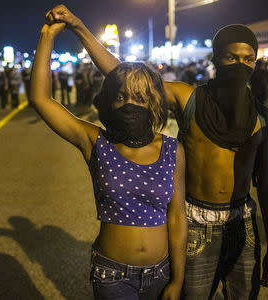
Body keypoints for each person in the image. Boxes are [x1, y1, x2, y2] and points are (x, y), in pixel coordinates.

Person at [47, 5, 268, 299]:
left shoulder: (261, 118)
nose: (239, 65)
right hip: (196, 223)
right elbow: (122, 74)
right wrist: (79, 27)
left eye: (248, 59)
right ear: (216, 59)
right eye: (231, 57)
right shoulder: (189, 98)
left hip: (241, 222)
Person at [30, 19, 187, 300]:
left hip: (161, 274)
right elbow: (41, 100)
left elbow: (176, 217)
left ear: (154, 104)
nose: (130, 104)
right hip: (112, 275)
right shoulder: (96, 142)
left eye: (140, 97)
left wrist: (178, 279)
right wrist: (47, 36)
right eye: (122, 96)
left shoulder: (173, 149)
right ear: (109, 102)